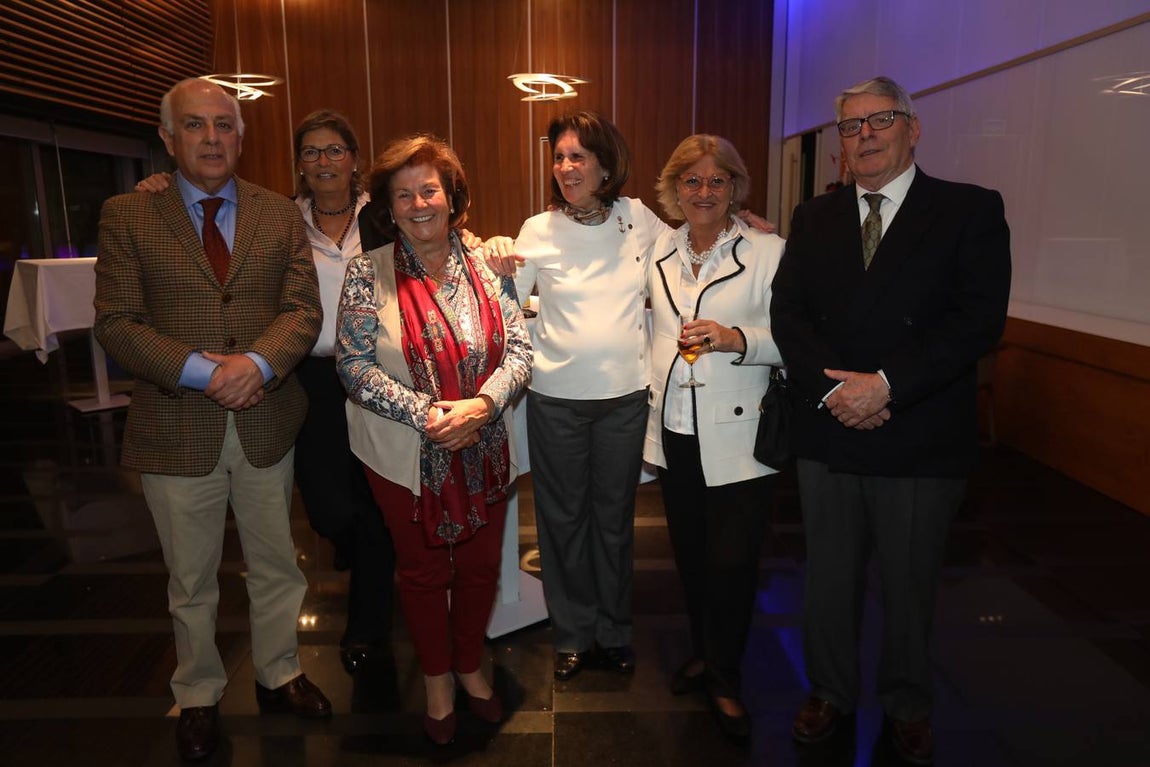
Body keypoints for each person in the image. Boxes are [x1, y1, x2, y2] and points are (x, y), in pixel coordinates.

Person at [770, 76, 1011, 764]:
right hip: (829, 426)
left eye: (879, 121)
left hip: (919, 431)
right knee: (829, 579)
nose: (864, 136)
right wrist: (835, 394)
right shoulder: (813, 217)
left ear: (913, 127)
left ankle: (908, 705)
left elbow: (977, 321)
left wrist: (886, 387)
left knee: (909, 585)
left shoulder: (968, 210)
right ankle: (830, 693)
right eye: (850, 127)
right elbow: (789, 314)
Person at [93, 78, 331, 763]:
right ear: (168, 139)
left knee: (278, 564)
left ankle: (279, 670)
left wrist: (255, 364)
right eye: (194, 126)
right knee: (190, 577)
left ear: (241, 134)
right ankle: (198, 692)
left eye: (224, 125)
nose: (211, 138)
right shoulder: (127, 214)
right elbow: (115, 322)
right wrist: (207, 370)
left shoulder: (279, 214)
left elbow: (302, 310)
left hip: (265, 419)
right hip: (176, 424)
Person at [134, 110, 398, 678]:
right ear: (297, 163)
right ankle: (365, 549)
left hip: (381, 377)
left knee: (376, 504)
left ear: (355, 158)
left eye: (335, 150)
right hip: (304, 378)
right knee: (327, 510)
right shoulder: (280, 216)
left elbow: (442, 233)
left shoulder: (384, 217)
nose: (323, 161)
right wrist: (159, 184)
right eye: (311, 152)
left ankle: (368, 626)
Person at [336, 134, 532, 745]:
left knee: (478, 569)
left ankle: (471, 664)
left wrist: (481, 406)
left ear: (451, 196)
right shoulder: (367, 274)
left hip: (485, 438)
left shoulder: (487, 265)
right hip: (401, 452)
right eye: (404, 194)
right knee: (421, 573)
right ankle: (437, 676)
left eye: (430, 189)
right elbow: (353, 364)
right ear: (388, 208)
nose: (419, 203)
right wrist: (429, 415)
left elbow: (521, 349)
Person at [509, 111, 666, 681]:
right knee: (562, 520)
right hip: (555, 401)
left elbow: (690, 257)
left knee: (614, 521)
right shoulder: (537, 229)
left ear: (605, 162)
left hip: (625, 399)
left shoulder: (638, 218)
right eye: (559, 157)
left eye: (578, 156)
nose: (567, 167)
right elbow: (503, 302)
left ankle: (614, 631)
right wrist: (491, 260)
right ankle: (572, 633)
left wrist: (744, 227)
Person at [643, 134, 786, 744]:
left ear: (736, 188)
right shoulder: (653, 249)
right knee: (694, 558)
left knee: (732, 561)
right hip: (676, 427)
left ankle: (725, 676)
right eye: (692, 181)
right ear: (674, 189)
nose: (703, 193)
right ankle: (706, 652)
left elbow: (801, 341)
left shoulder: (769, 252)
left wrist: (737, 339)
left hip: (741, 433)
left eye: (717, 181)